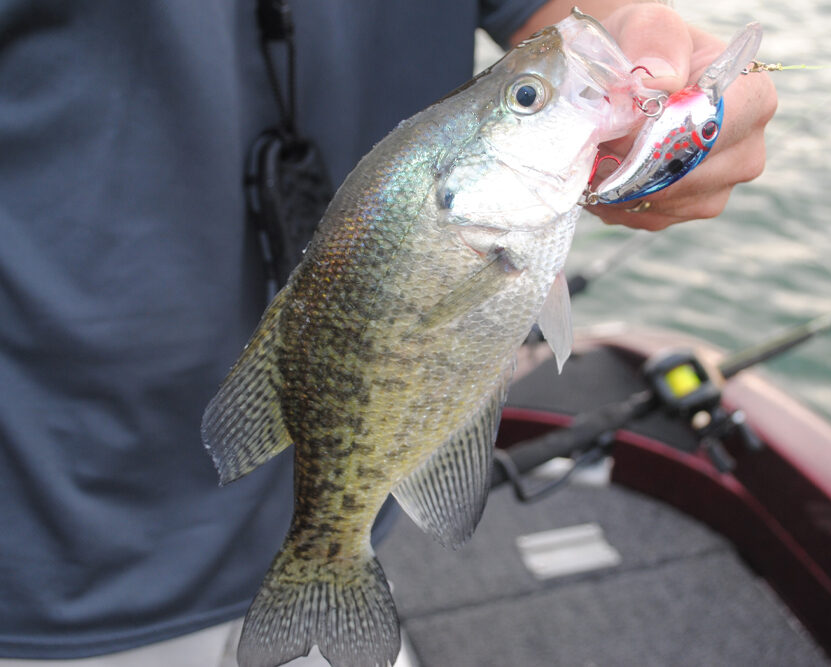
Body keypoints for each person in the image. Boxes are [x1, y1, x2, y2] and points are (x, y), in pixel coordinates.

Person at [0, 1, 776, 665]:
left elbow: (572, 18)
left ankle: (329, 554)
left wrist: (636, 43)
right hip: (58, 550)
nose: (550, 91)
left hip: (350, 512)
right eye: (532, 98)